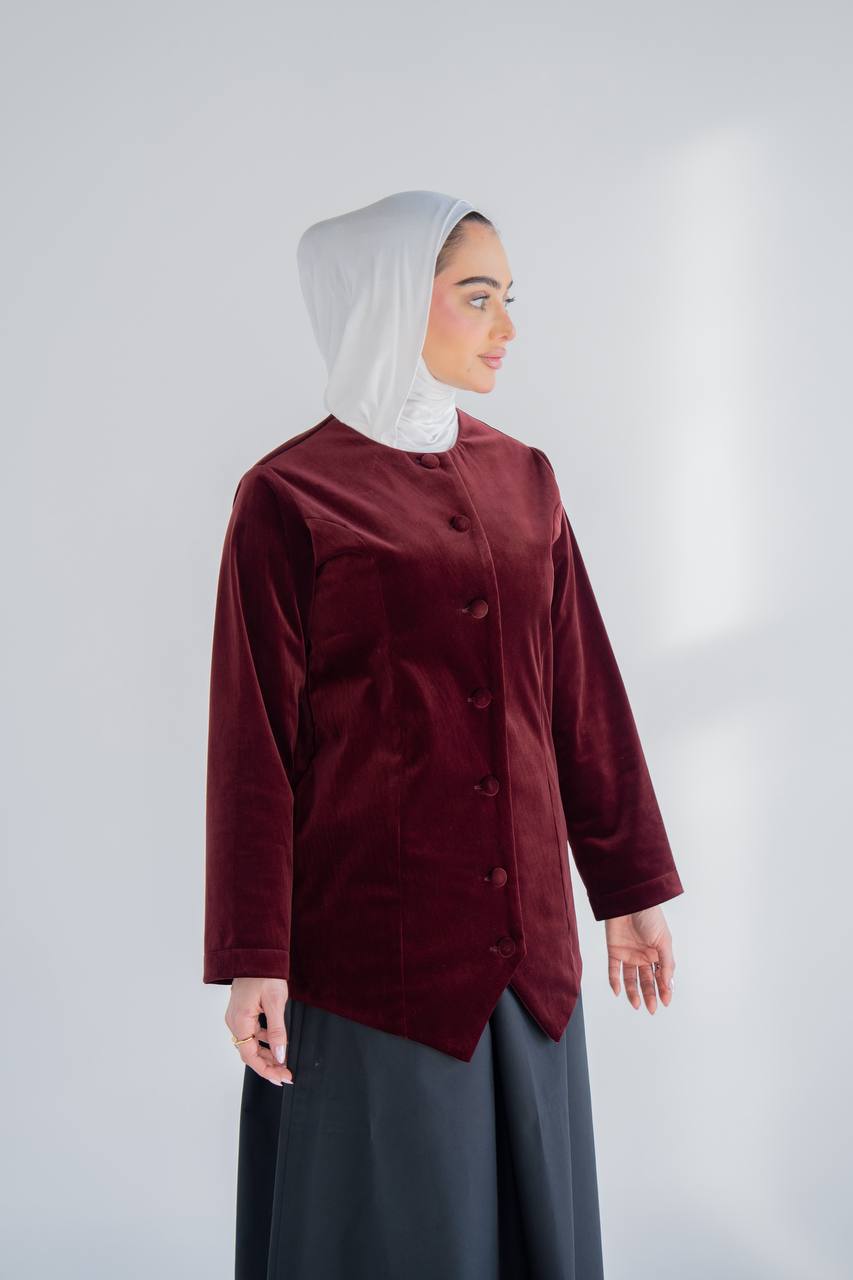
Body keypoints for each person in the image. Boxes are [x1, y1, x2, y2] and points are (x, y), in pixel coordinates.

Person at [203, 189, 685, 1279]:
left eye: (508, 297)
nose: (505, 326)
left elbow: (582, 697)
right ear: (387, 299)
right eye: (477, 297)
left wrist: (628, 890)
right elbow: (252, 748)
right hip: (375, 960)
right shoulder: (288, 495)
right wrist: (252, 958)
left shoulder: (526, 478)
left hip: (530, 956)